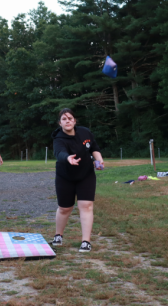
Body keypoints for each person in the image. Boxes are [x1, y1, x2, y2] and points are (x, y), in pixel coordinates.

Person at [51, 108, 104, 253]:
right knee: (64, 208)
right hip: (65, 176)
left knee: (86, 205)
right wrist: (68, 158)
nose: (67, 121)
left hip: (86, 174)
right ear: (60, 123)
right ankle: (58, 235)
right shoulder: (59, 138)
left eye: (70, 118)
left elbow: (94, 147)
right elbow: (59, 153)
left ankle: (86, 242)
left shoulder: (85, 132)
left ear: (74, 121)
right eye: (64, 119)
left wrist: (99, 161)